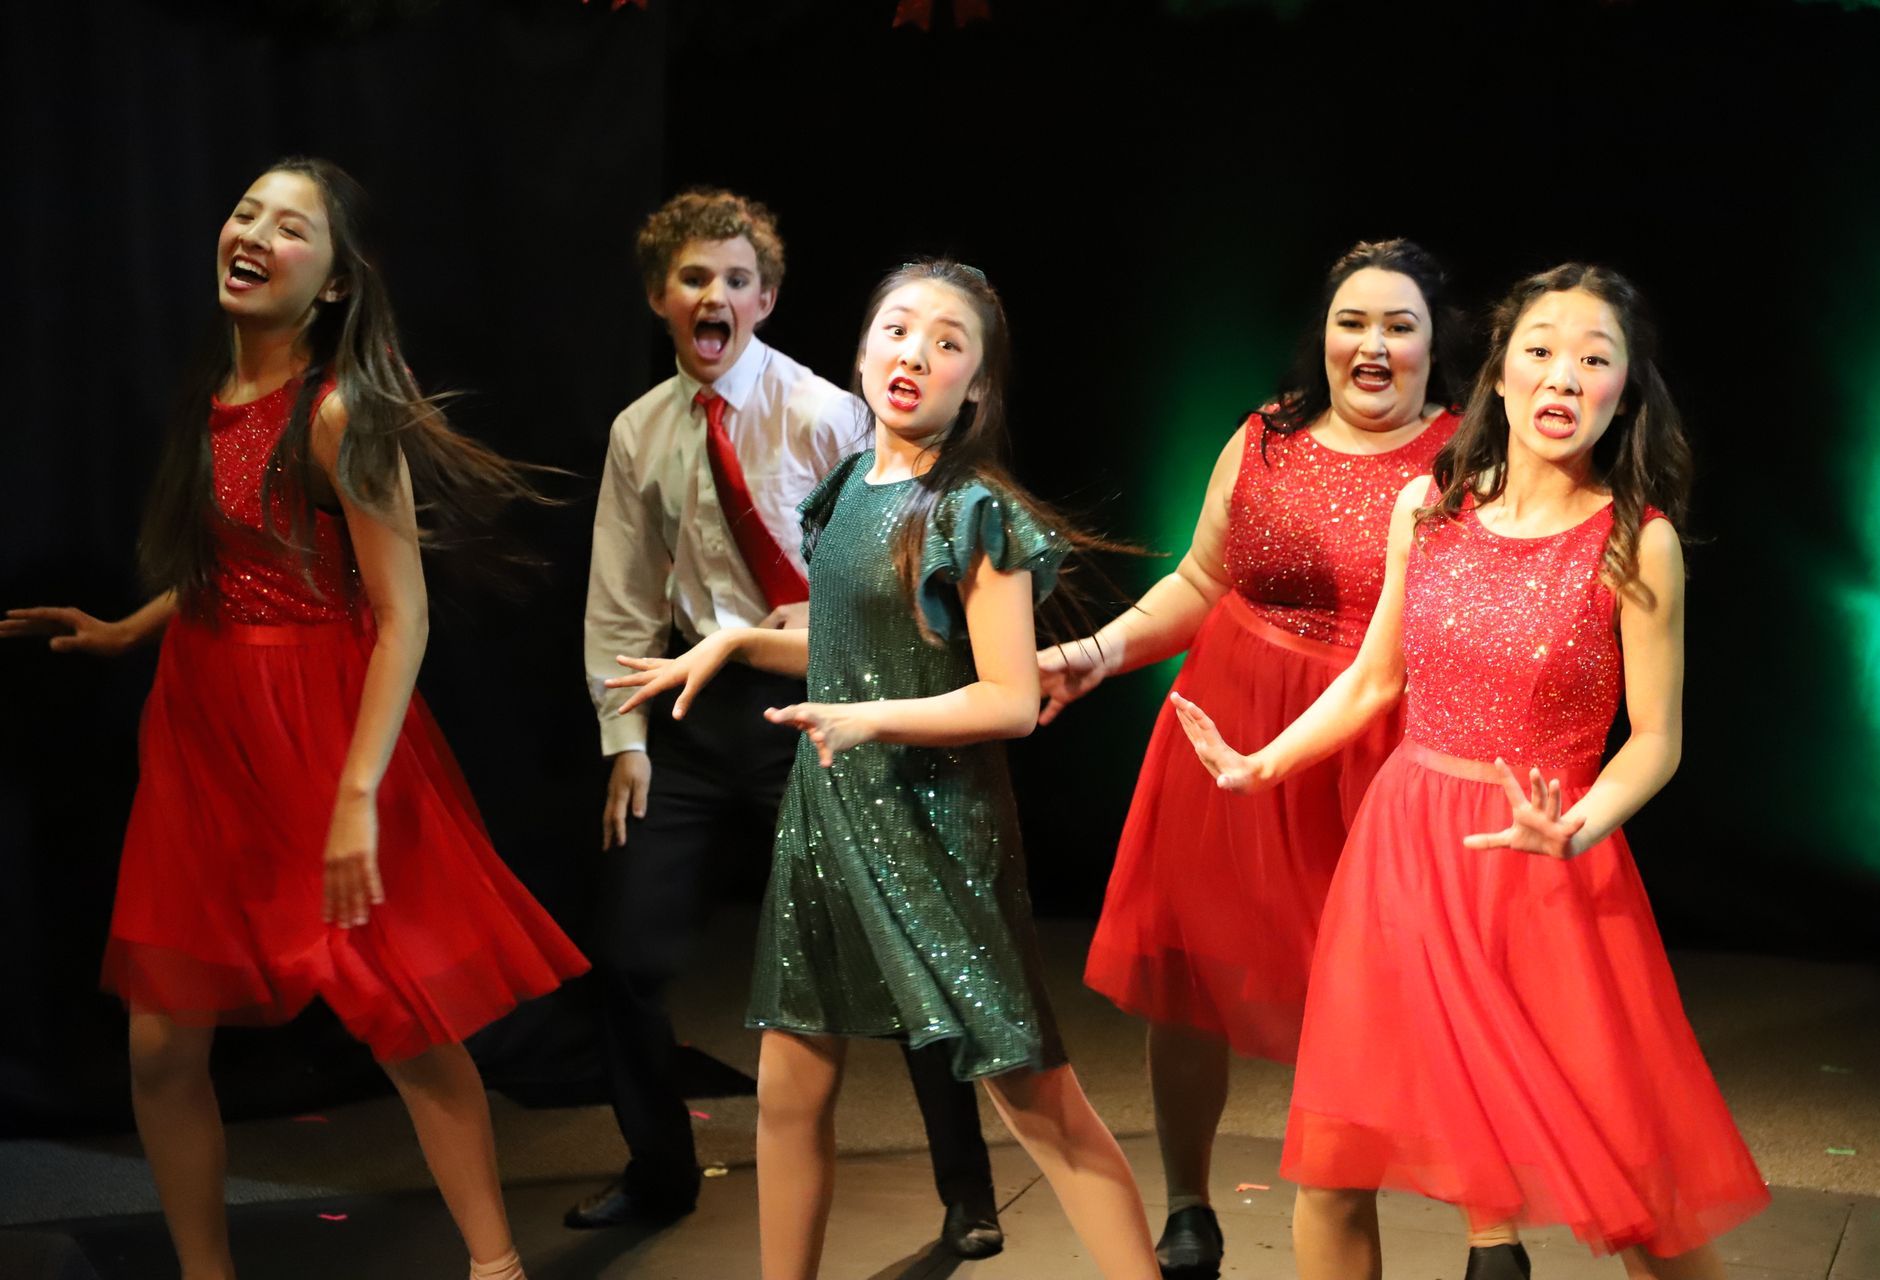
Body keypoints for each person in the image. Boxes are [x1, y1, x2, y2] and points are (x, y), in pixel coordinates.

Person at [1, 157, 587, 1280]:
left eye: (289, 227)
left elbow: (402, 613)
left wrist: (358, 791)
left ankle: (496, 1266)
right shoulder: (214, 391)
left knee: (403, 1015)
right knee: (161, 1041)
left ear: (335, 283)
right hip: (201, 730)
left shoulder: (339, 414)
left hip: (318, 730)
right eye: (246, 213)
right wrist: (130, 631)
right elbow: (243, 555)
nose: (255, 234)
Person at [1175, 264, 1770, 1280]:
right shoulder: (1430, 507)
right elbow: (1376, 680)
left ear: (1625, 390)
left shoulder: (1637, 542)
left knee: (1632, 1190)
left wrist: (1577, 827)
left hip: (1545, 869)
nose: (1563, 376)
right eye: (1541, 350)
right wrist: (1261, 761)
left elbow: (1655, 739)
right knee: (1336, 1164)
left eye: (1593, 359)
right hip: (1403, 856)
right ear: (1499, 373)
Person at [607, 260, 1161, 1279]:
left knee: (1035, 1094)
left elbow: (1008, 698)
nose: (915, 353)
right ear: (863, 350)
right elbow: (850, 649)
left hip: (936, 827)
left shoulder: (974, 511)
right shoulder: (847, 489)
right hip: (828, 814)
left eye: (948, 343)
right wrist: (736, 641)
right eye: (897, 329)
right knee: (790, 1083)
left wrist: (869, 718)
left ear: (976, 386)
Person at [579, 191, 1001, 1256]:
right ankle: (659, 1167)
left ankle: (968, 1189)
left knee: (901, 941)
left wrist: (825, 627)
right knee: (625, 953)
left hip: (828, 691)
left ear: (764, 298)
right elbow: (620, 596)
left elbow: (889, 553)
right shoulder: (640, 432)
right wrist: (625, 741)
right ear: (659, 297)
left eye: (735, 279)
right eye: (693, 279)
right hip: (695, 698)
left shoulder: (823, 410)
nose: (713, 296)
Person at [1043, 239, 1461, 1277]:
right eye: (1351, 322)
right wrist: (1097, 652)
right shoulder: (1264, 435)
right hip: (1224, 731)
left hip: (1370, 751)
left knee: (1374, 999)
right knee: (1193, 980)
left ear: (1434, 342)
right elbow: (1199, 579)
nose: (1371, 345)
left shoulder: (1464, 460)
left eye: (1398, 325)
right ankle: (1189, 1205)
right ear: (1322, 334)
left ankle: (1423, 1224)